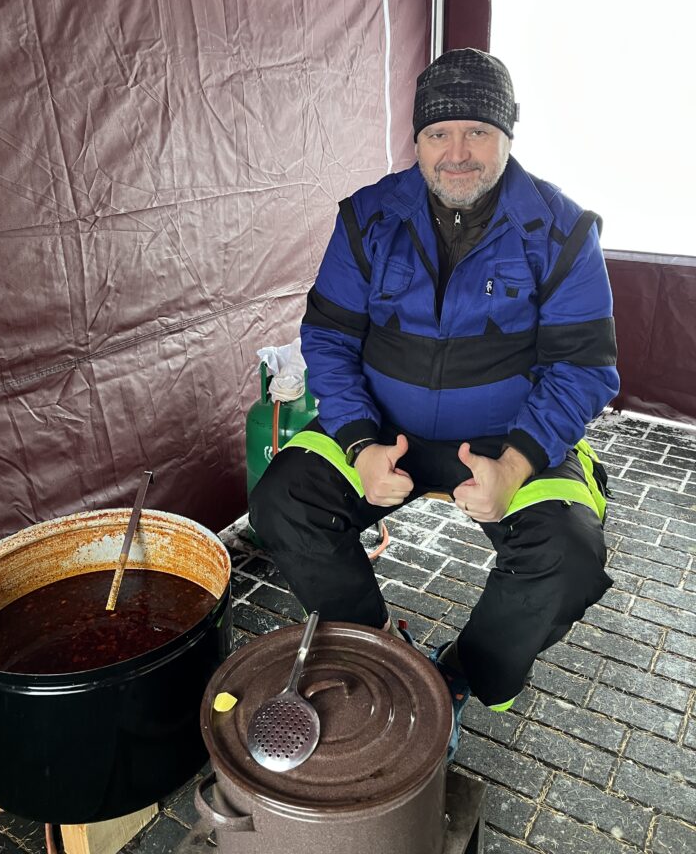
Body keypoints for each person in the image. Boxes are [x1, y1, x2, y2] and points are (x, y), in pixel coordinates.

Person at [249, 48, 619, 761]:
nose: (457, 153)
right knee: (282, 504)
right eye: (437, 133)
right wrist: (359, 444)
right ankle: (376, 646)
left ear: (507, 135)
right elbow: (328, 339)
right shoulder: (367, 217)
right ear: (416, 139)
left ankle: (458, 676)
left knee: (568, 555)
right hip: (386, 432)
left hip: (508, 440)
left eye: (478, 131)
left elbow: (583, 369)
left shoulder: (563, 230)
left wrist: (517, 464)